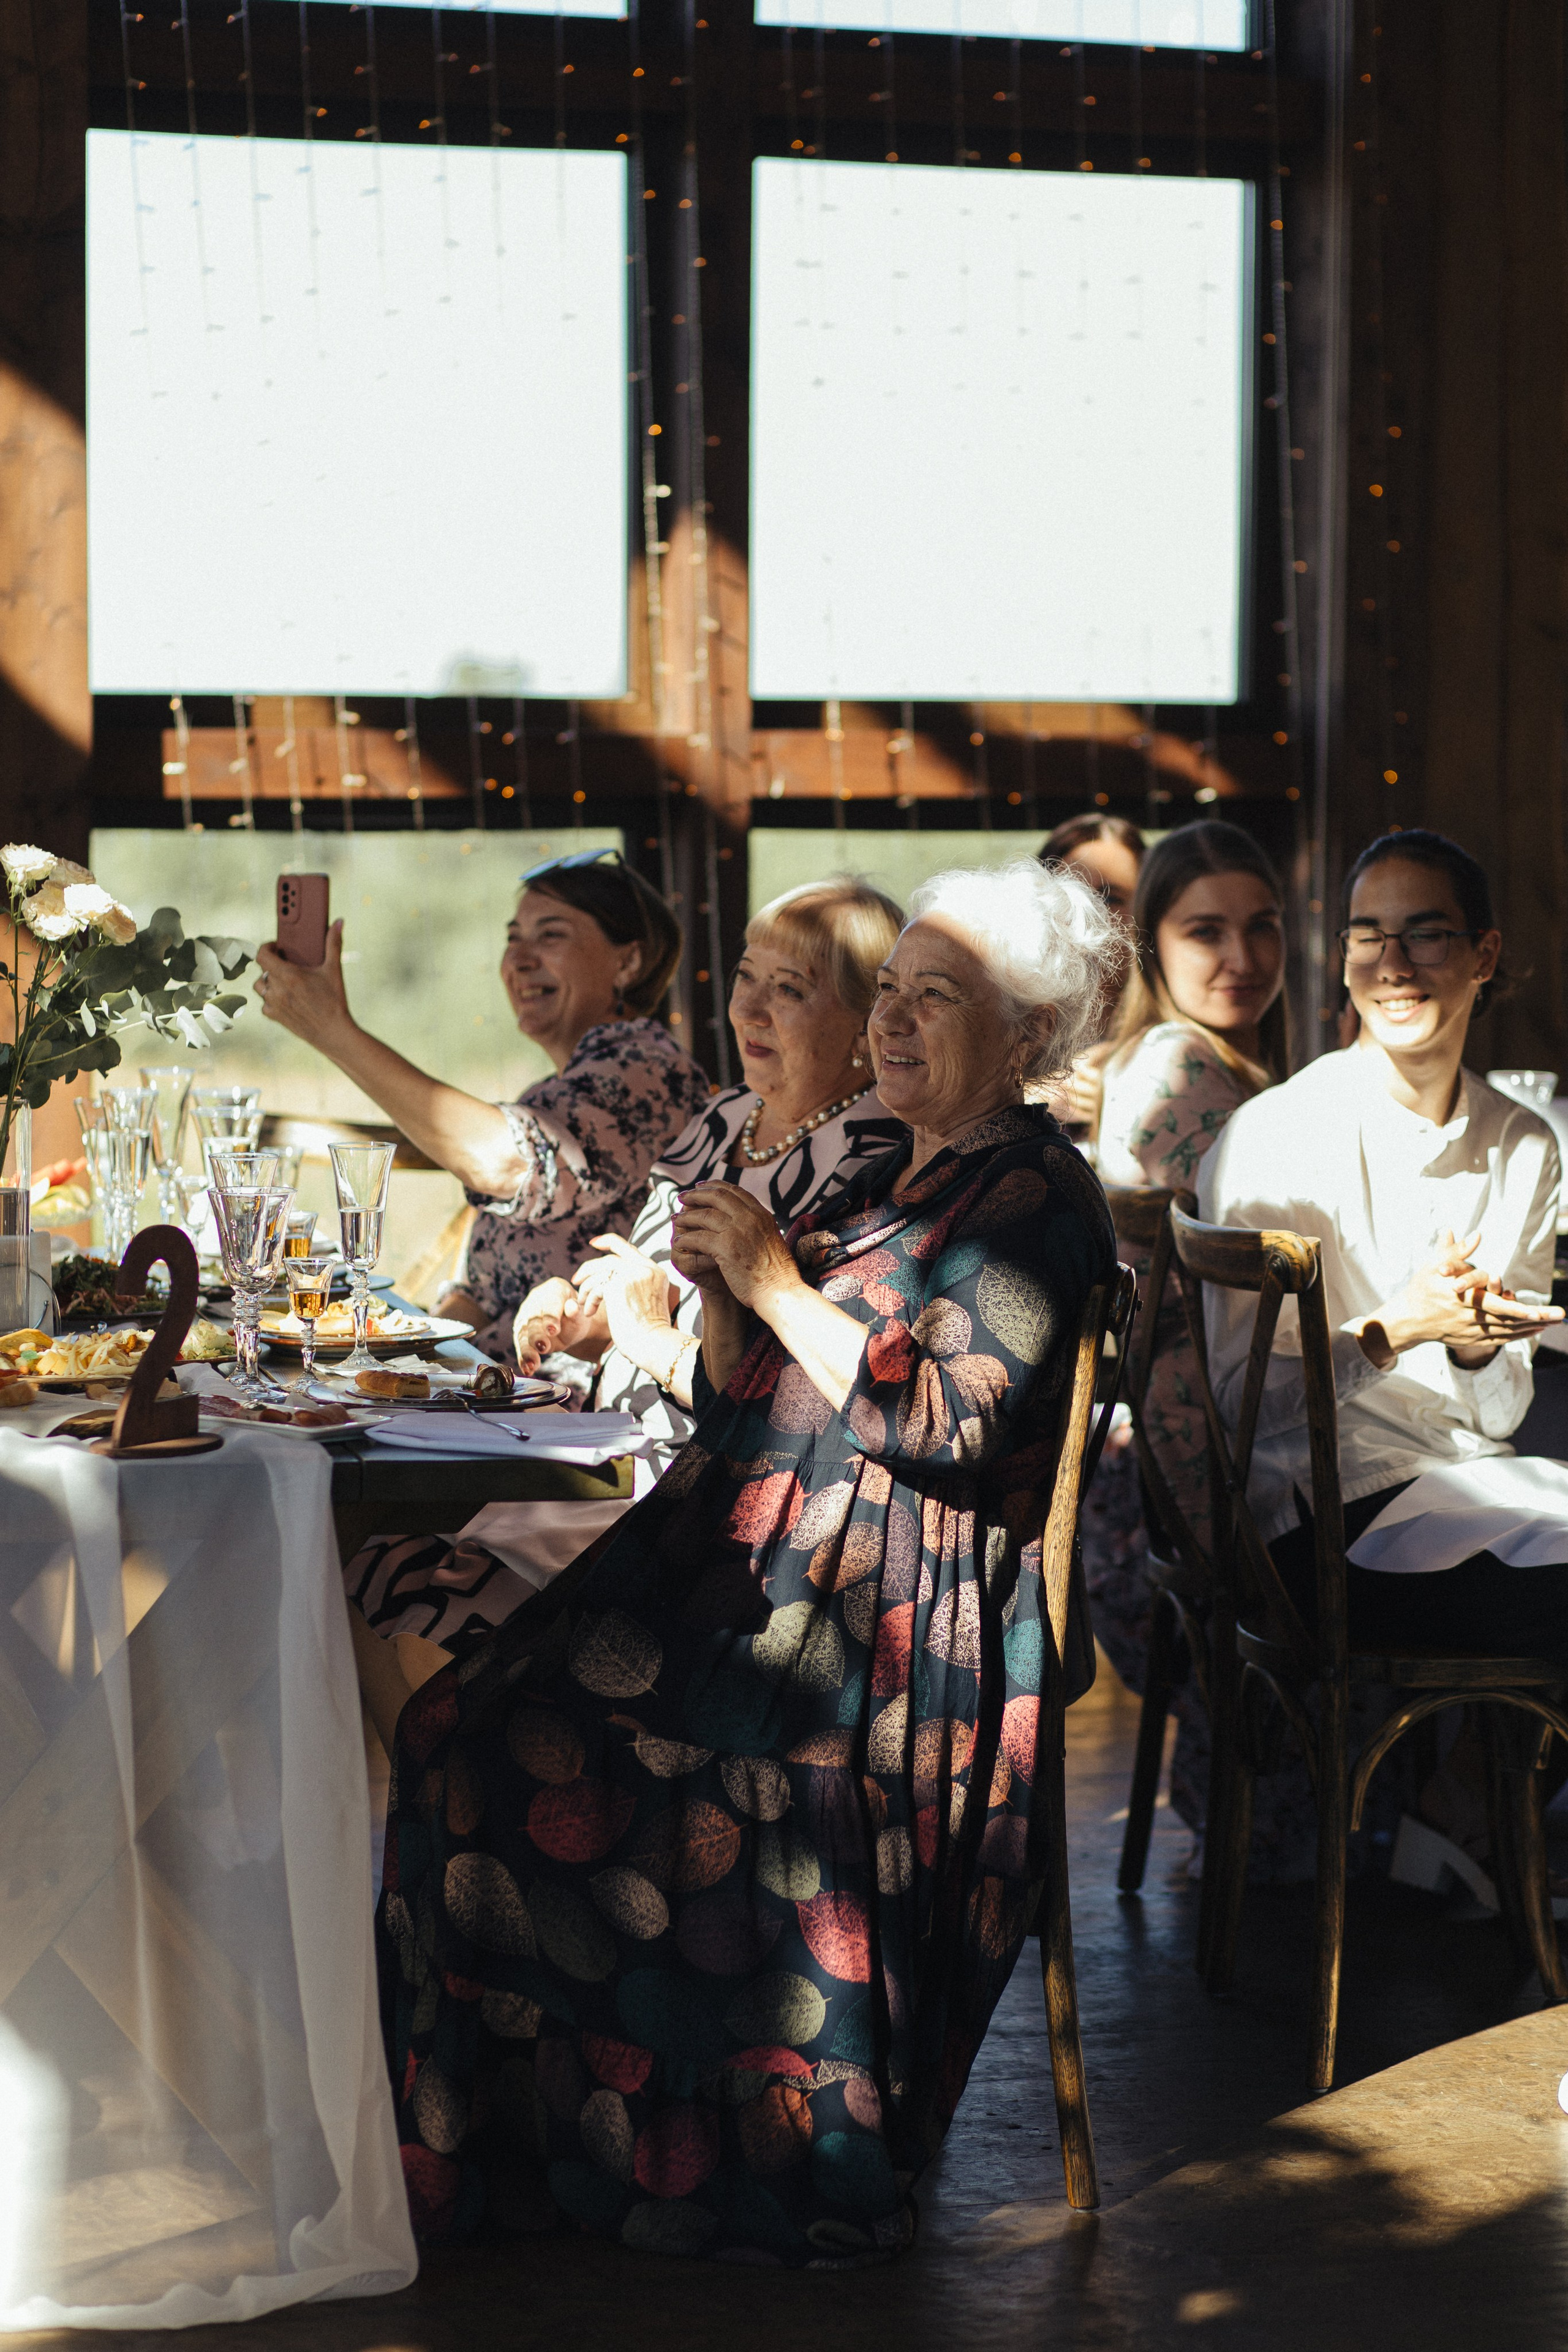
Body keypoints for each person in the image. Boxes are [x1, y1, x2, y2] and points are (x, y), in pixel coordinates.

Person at [377, 860, 1123, 2263]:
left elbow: (941, 1420)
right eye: (887, 994)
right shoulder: (897, 1162)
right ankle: (545, 2155)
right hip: (763, 1580)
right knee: (450, 1722)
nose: (891, 1025)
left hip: (881, 1633)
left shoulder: (1029, 1192)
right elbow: (741, 1396)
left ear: (1023, 1035)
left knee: (486, 1743)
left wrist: (775, 1279)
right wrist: (727, 1293)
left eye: (933, 1001)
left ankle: (684, 2165)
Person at [350, 879, 907, 1652]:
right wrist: (585, 1318)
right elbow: (645, 1285)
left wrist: (648, 1339)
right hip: (596, 1448)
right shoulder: (724, 1120)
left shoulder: (875, 1162)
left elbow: (791, 1401)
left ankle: (500, 1766)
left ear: (863, 1021)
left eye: (790, 989)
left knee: (387, 1585)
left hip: (713, 1505)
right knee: (360, 1554)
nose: (748, 1010)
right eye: (746, 977)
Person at [1201, 826, 1566, 1666]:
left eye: (1427, 934)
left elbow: (1504, 1415)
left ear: (1484, 954)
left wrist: (1476, 1356)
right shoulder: (1278, 1137)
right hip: (1320, 1522)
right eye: (1368, 936)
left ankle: (1497, 1791)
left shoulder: (1523, 1145)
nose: (1393, 964)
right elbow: (1243, 1405)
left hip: (1477, 1486)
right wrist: (1399, 1326)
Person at [252, 849, 712, 1357]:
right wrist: (403, 1358)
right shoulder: (560, 1092)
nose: (519, 959)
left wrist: (334, 1032)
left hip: (566, 1408)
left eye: (551, 935)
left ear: (627, 961)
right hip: (489, 1387)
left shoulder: (647, 1071)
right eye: (513, 939)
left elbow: (507, 1162)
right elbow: (486, 1294)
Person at [1084, 820, 1289, 1858]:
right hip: (1203, 1469)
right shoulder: (1184, 1068)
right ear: (1154, 947)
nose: (1242, 958)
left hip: (1173, 1462)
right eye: (1207, 931)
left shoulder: (1225, 1066)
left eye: (1264, 927)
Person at [1035, 813, 1145, 1137]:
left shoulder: (1179, 1034)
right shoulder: (1001, 1020)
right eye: (1069, 896)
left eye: (1110, 898)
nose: (1090, 914)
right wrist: (1021, 1099)